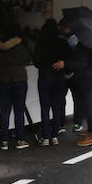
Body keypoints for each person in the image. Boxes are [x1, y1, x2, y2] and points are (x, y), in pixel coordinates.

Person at [57, 21, 92, 147]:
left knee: (89, 107)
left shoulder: (84, 46)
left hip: (86, 79)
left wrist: (65, 64)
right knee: (90, 106)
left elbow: (81, 63)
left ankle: (91, 135)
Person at [0, 22, 29, 149]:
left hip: (2, 80)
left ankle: (4, 141)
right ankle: (20, 140)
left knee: (4, 111)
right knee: (19, 111)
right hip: (19, 79)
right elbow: (27, 58)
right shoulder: (19, 45)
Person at [32, 18, 67, 146]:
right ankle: (55, 136)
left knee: (45, 107)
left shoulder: (41, 43)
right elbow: (68, 58)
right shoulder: (62, 42)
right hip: (59, 77)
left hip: (45, 77)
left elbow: (35, 60)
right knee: (56, 107)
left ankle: (46, 137)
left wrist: (44, 65)